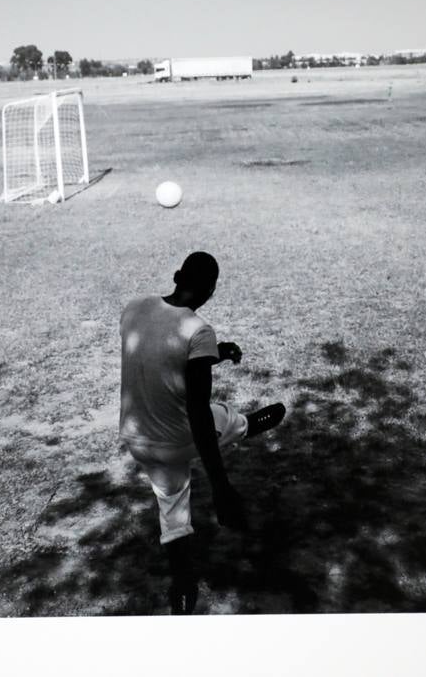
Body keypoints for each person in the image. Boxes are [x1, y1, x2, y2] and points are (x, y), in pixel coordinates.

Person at [119, 251, 286, 614]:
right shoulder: (198, 330)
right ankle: (246, 426)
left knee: (171, 506)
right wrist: (221, 487)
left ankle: (182, 586)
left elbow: (160, 349)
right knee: (218, 416)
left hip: (137, 438)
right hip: (179, 439)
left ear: (177, 275)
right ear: (211, 291)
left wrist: (215, 353)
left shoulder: (133, 309)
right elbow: (196, 412)